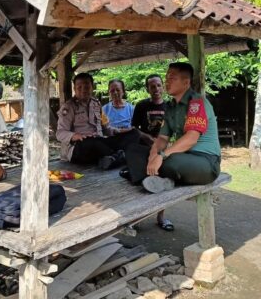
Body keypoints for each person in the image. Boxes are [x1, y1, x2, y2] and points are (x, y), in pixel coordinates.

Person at [126, 63, 221, 193]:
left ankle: (147, 176)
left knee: (170, 160)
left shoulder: (197, 102)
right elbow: (162, 139)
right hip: (183, 156)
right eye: (166, 78)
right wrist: (152, 156)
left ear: (186, 83)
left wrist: (161, 156)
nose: (167, 82)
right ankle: (155, 179)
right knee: (134, 149)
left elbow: (191, 138)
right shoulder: (170, 107)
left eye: (172, 78)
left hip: (206, 162)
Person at [57, 73, 139, 169]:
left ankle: (112, 158)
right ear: (74, 89)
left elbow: (106, 129)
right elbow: (60, 133)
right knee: (91, 142)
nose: (83, 90)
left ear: (92, 87)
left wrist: (120, 131)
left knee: (134, 133)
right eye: (79, 87)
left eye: (87, 87)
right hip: (80, 147)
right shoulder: (68, 107)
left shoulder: (96, 104)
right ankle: (118, 156)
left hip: (99, 142)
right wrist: (76, 136)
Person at [126, 74, 174, 231]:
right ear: (147, 89)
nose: (156, 89)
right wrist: (148, 138)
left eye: (159, 85)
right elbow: (134, 129)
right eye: (152, 86)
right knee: (142, 183)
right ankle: (137, 218)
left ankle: (161, 217)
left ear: (163, 87)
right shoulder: (141, 106)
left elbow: (176, 130)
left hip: (163, 152)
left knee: (162, 183)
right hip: (143, 150)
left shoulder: (171, 106)